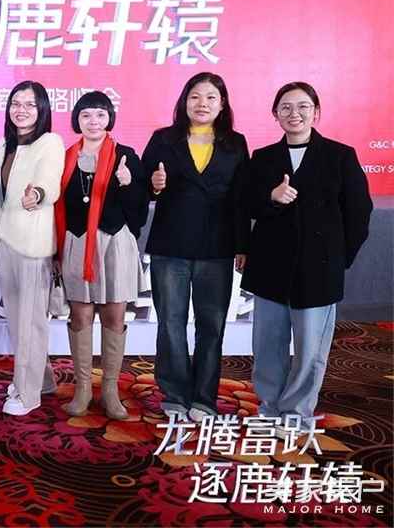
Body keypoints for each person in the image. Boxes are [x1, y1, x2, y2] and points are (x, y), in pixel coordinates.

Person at [242, 82, 372, 434]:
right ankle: (269, 408)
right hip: (270, 267)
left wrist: (338, 258)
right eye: (285, 107)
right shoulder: (263, 158)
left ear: (316, 112)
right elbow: (244, 205)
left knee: (310, 349)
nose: (294, 113)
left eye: (302, 106)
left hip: (319, 270)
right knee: (267, 346)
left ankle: (297, 413)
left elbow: (359, 211)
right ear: (275, 114)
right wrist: (271, 197)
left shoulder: (340, 155)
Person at [141, 72, 250, 423]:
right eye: (195, 97)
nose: (202, 104)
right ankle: (174, 393)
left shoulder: (235, 143)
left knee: (211, 325)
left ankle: (204, 398)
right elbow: (141, 185)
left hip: (217, 247)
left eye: (210, 97)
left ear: (222, 104)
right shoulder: (163, 138)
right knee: (170, 323)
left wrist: (242, 245)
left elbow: (241, 199)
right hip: (171, 245)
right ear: (184, 101)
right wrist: (154, 185)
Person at [55, 91, 149, 420]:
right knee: (80, 317)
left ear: (109, 118)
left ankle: (110, 391)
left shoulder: (126, 156)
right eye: (86, 115)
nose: (93, 121)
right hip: (77, 244)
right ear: (76, 120)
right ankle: (82, 389)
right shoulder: (64, 157)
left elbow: (138, 214)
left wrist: (128, 184)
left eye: (100, 114)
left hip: (114, 245)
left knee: (114, 317)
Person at [0, 81, 64, 416]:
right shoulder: (4, 144)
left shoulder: (50, 142)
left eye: (30, 105)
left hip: (33, 243)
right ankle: (41, 380)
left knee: (31, 322)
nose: (21, 110)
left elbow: (50, 181)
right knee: (19, 319)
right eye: (16, 103)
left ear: (42, 109)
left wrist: (38, 194)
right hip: (5, 239)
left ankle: (28, 393)